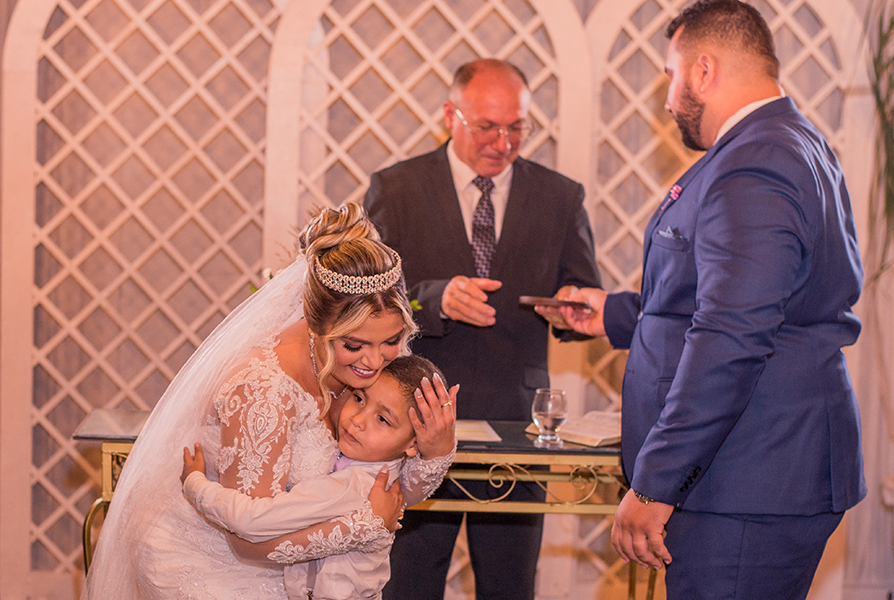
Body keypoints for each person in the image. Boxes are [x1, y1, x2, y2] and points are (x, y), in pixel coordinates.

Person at [541, 1, 866, 598]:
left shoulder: (754, 164)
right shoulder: (794, 140)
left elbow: (732, 336)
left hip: (746, 479)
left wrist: (655, 484)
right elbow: (761, 300)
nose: (666, 99)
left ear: (704, 69)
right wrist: (613, 313)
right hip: (761, 471)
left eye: (670, 73)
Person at [83, 202, 457, 600]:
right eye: (354, 344)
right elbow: (246, 541)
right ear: (316, 325)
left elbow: (382, 488)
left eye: (391, 340)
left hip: (307, 570)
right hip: (219, 564)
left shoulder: (371, 367)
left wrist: (435, 451)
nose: (375, 360)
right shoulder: (265, 392)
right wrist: (366, 527)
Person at [364, 59, 602, 600]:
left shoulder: (562, 198)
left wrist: (571, 308)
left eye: (517, 127)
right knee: (408, 584)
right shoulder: (396, 188)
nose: (504, 141)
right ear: (452, 115)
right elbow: (363, 300)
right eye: (488, 127)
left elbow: (582, 292)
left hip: (516, 427)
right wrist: (432, 299)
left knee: (510, 587)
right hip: (413, 420)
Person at [180, 355, 448, 600]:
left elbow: (252, 521)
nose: (358, 420)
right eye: (359, 399)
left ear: (414, 445)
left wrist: (197, 486)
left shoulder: (352, 487)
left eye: (382, 419)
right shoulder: (380, 469)